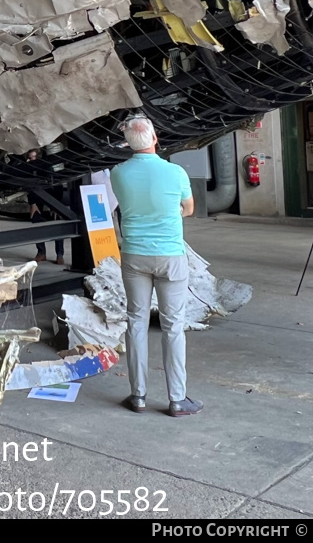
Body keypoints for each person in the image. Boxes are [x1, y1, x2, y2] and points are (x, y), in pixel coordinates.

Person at [110, 115, 202, 417]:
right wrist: (172, 209)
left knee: (135, 322)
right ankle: (177, 399)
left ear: (127, 144)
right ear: (155, 139)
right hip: (170, 256)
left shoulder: (118, 173)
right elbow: (189, 209)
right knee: (173, 326)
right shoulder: (175, 173)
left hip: (135, 255)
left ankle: (137, 396)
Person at [26, 149, 65, 265]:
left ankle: (59, 254)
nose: (31, 160)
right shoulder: (29, 169)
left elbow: (58, 187)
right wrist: (32, 204)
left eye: (33, 157)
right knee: (37, 226)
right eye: (30, 158)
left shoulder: (49, 169)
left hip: (52, 200)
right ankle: (41, 253)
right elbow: (27, 187)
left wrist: (56, 206)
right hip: (37, 201)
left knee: (57, 228)